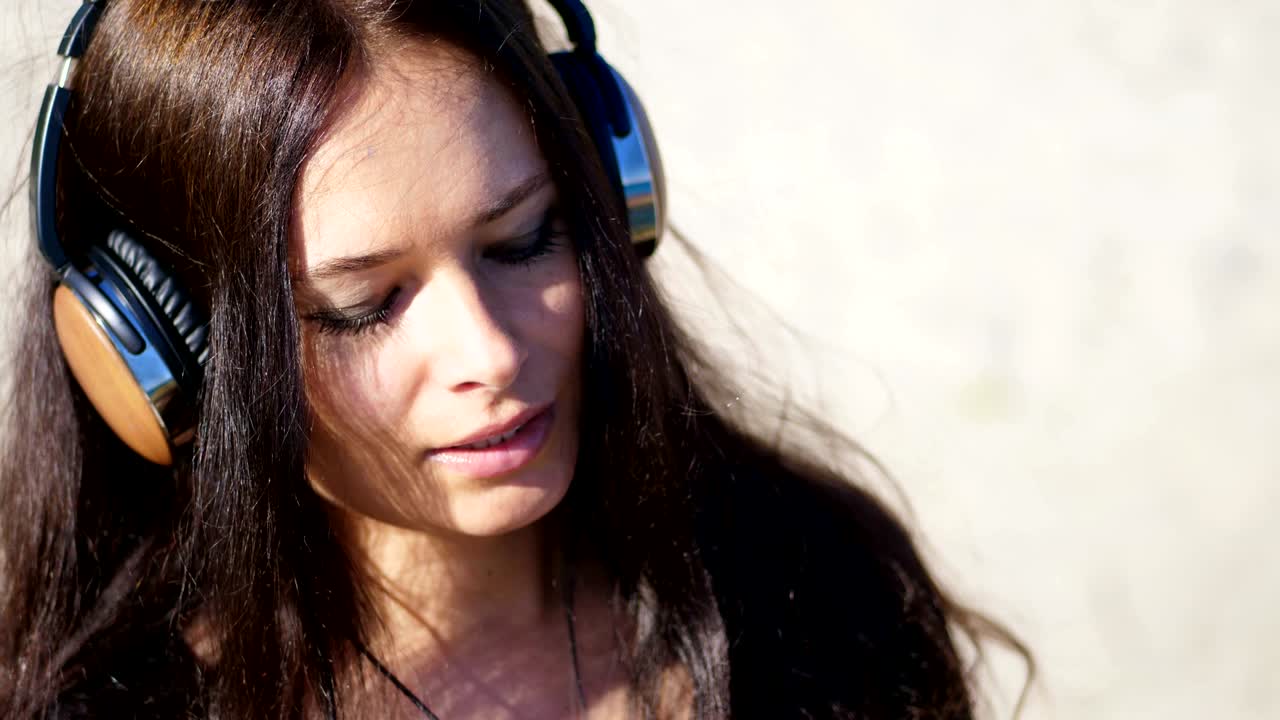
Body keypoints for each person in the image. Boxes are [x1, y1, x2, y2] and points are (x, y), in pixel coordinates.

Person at [0, 0, 1029, 717]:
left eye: (522, 239)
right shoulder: (108, 704)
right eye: (362, 307)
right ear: (167, 353)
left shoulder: (816, 595)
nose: (487, 352)